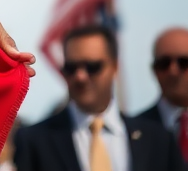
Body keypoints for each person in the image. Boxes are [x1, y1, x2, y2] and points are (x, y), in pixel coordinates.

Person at [15, 25, 184, 171]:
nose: (80, 77)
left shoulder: (158, 139)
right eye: (71, 68)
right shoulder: (34, 141)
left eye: (92, 67)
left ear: (115, 67)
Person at [137, 27, 188, 162]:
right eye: (164, 64)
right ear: (154, 70)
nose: (173, 71)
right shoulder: (134, 133)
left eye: (183, 63)